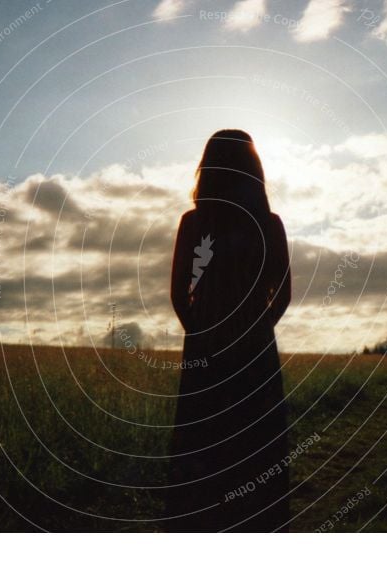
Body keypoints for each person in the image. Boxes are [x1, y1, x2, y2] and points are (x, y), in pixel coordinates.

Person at [165, 129, 292, 532]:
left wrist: (201, 332)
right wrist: (255, 330)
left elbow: (177, 293)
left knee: (201, 443)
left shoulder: (193, 221)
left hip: (204, 349)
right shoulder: (270, 224)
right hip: (256, 349)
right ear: (255, 170)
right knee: (256, 446)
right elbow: (284, 294)